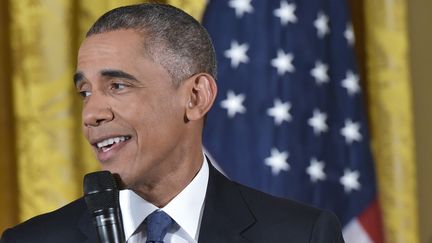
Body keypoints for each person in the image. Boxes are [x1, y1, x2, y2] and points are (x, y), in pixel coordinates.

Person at [0, 3, 345, 243]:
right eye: (85, 92)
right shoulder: (32, 240)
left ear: (196, 97)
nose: (91, 114)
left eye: (117, 86)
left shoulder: (299, 235)